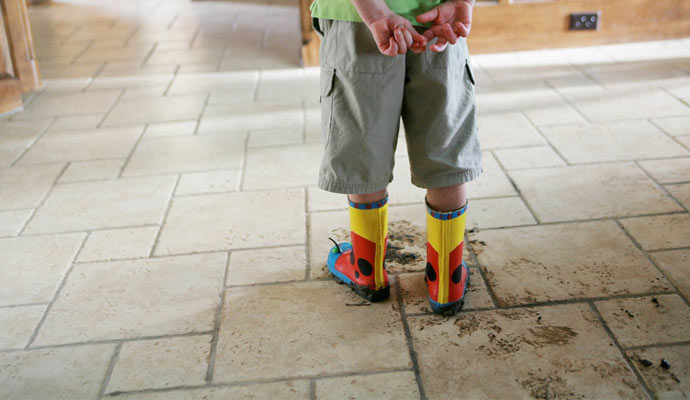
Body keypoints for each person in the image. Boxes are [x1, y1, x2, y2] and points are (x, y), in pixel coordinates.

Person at [311, 0, 482, 316]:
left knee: (363, 144)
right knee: (445, 147)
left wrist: (375, 12)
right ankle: (447, 280)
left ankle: (367, 272)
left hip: (357, 20)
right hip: (439, 18)